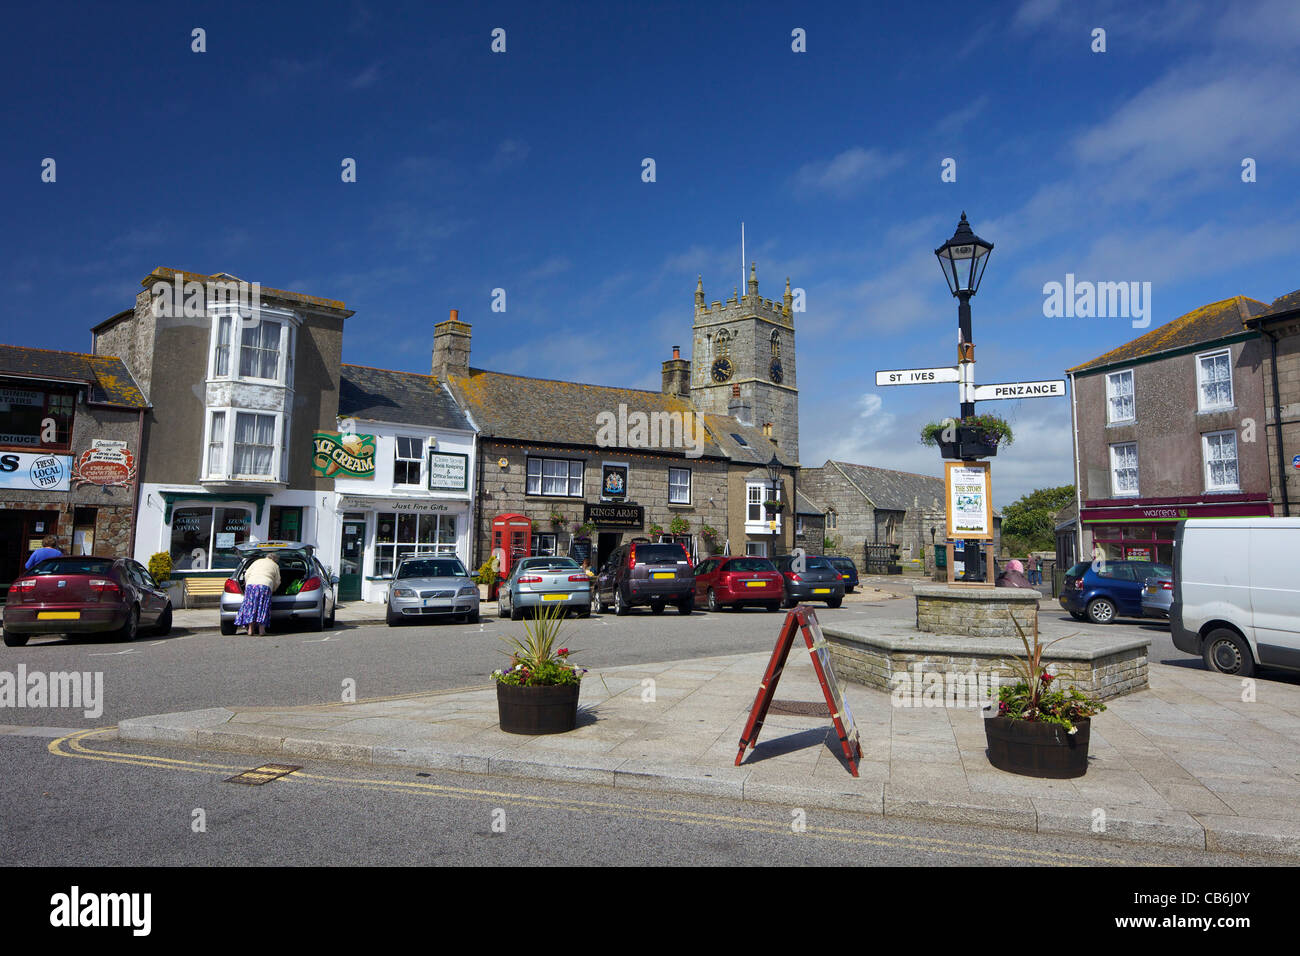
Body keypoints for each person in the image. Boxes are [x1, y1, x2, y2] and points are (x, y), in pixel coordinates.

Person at [235, 553, 280, 636]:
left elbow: (247, 574)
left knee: (251, 606)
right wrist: (273, 589)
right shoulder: (275, 565)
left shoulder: (257, 561)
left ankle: (250, 629)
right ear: (275, 560)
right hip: (265, 584)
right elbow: (277, 581)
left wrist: (247, 584)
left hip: (251, 584)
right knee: (262, 606)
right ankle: (261, 630)